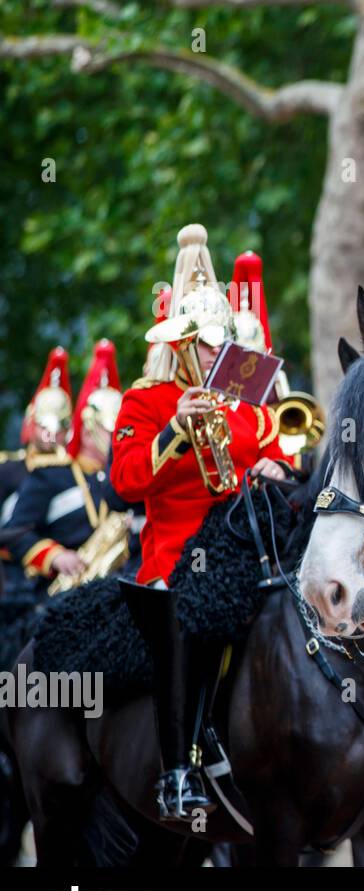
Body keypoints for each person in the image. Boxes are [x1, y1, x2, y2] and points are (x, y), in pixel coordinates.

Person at [111, 224, 289, 820]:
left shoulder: (244, 398)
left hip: (250, 539)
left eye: (222, 345)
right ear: (183, 344)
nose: (218, 355)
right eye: (207, 346)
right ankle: (177, 769)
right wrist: (174, 433)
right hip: (183, 550)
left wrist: (276, 462)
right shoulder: (147, 400)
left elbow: (280, 445)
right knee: (188, 610)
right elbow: (127, 480)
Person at [2, 344, 127, 600]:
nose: (115, 437)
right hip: (51, 596)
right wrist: (55, 556)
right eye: (109, 429)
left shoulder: (120, 479)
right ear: (90, 427)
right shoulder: (52, 475)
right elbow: (14, 534)